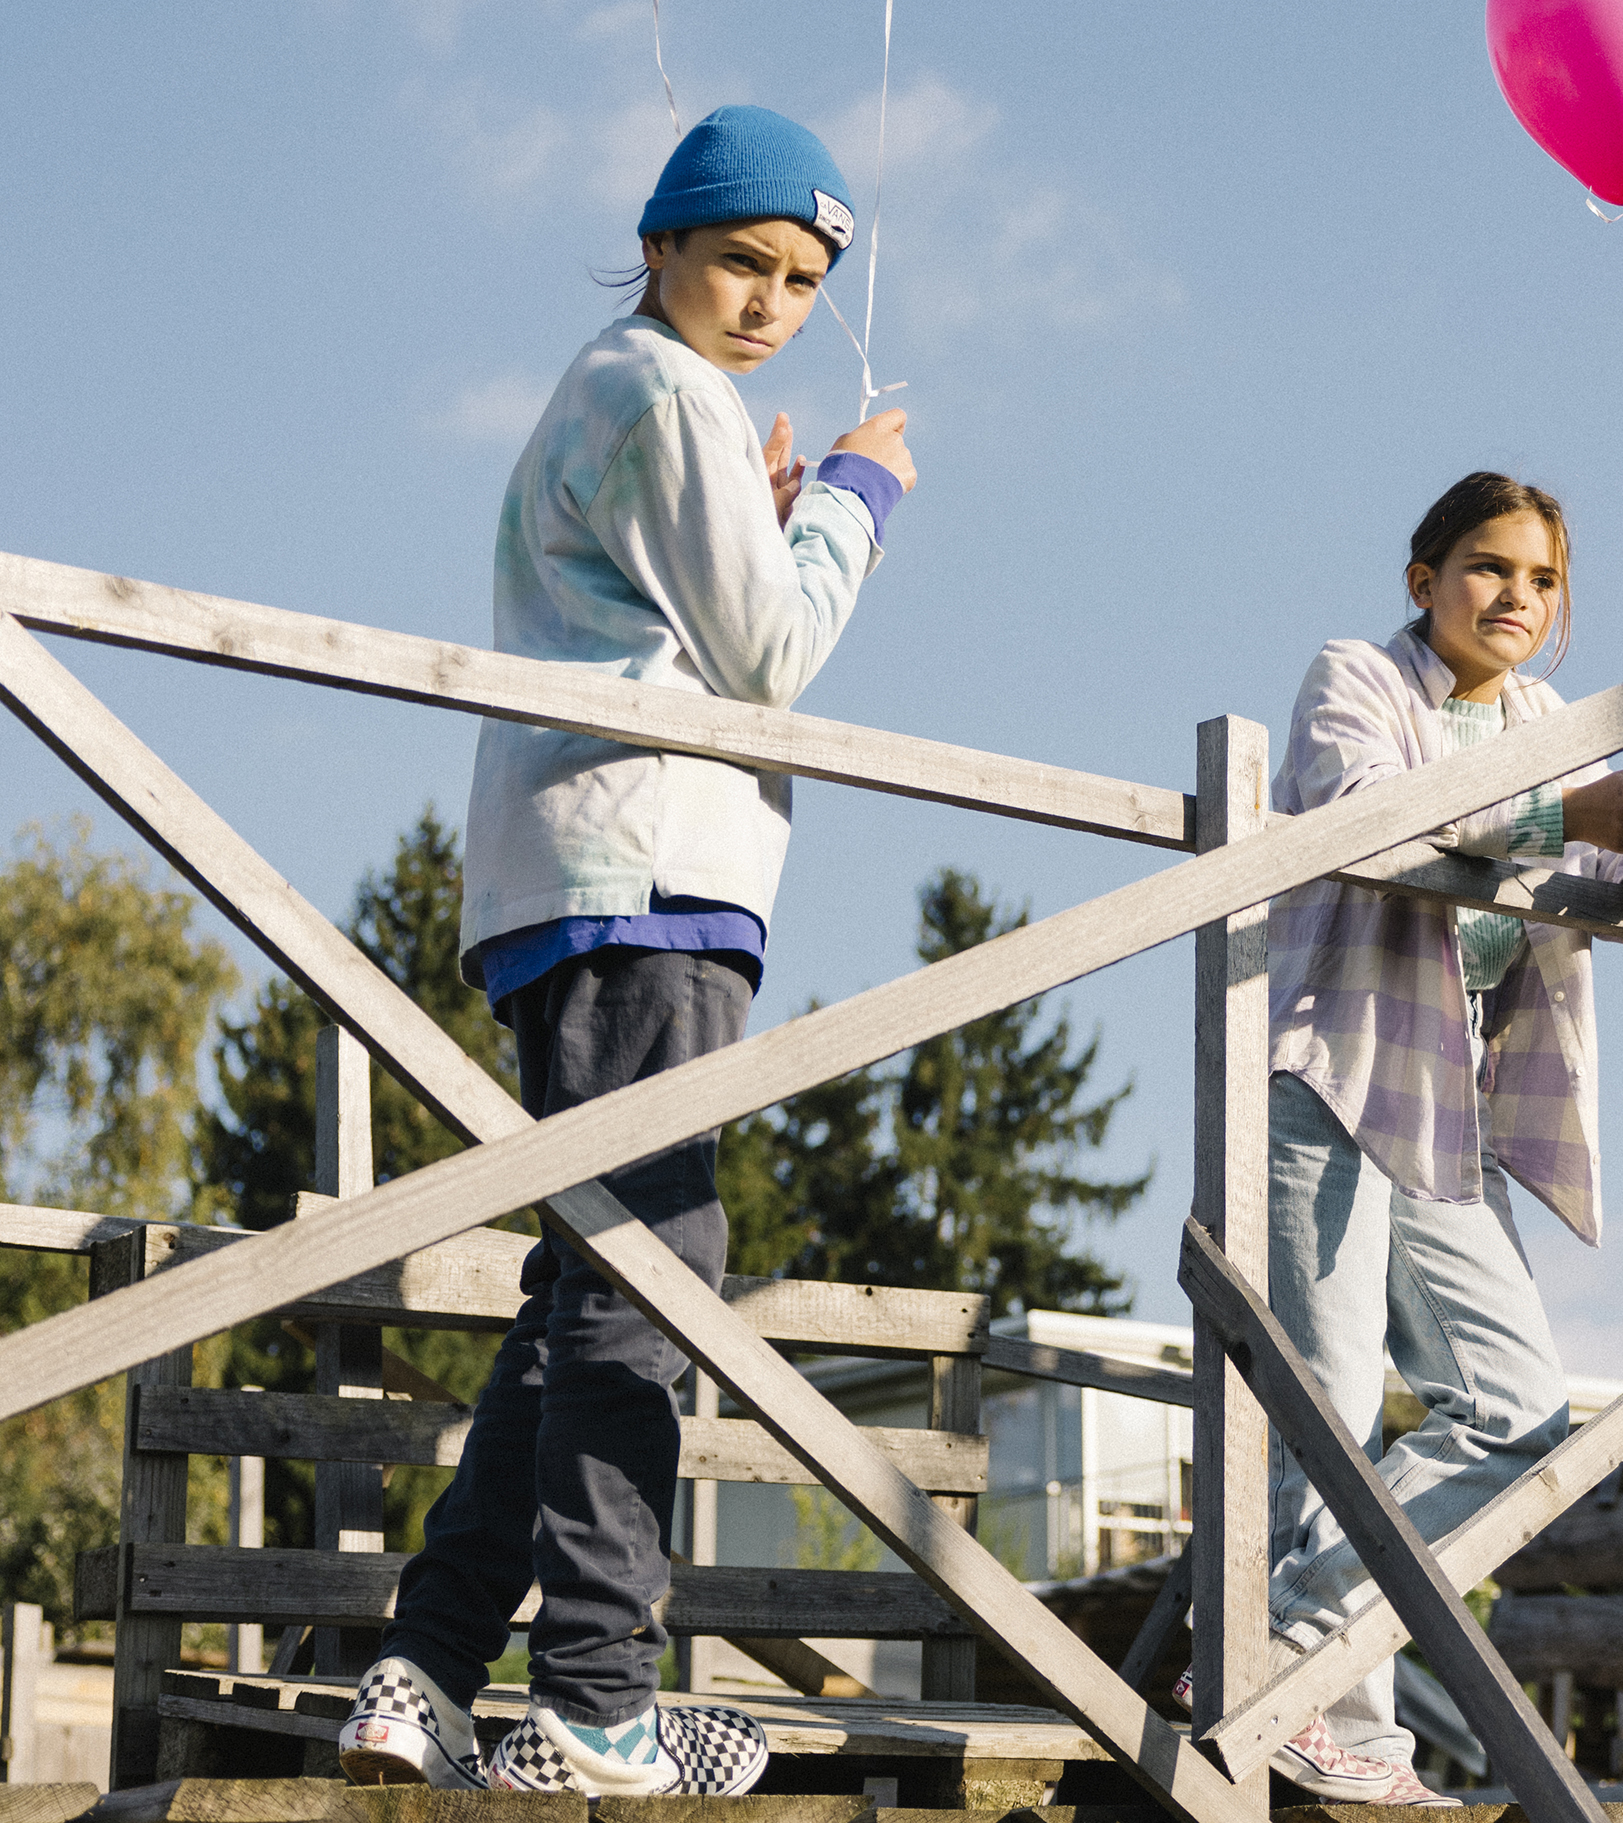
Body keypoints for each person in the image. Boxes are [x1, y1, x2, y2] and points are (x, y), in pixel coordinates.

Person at [334, 105, 917, 1799]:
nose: (769, 303)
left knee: (584, 1289)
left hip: (577, 875)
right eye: (743, 259)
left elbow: (675, 608)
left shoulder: (633, 394)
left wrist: (766, 506)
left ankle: (426, 1669)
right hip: (645, 874)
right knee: (650, 1285)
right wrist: (859, 501)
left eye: (802, 279)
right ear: (662, 242)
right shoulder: (664, 384)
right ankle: (596, 1696)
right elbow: (771, 652)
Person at [1191, 471, 1623, 1804]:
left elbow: (1604, 883)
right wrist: (1579, 812)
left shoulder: (1549, 724)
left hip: (1446, 1111)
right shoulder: (1358, 679)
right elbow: (1375, 814)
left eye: (1543, 580)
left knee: (1517, 1409)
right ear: (1424, 582)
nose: (1517, 597)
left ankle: (1280, 1645)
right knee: (1321, 1396)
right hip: (1329, 1075)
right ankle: (1340, 1732)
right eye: (1491, 569)